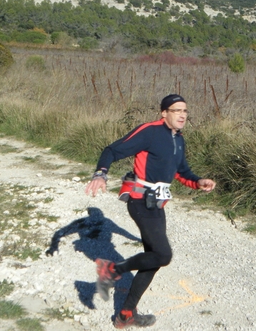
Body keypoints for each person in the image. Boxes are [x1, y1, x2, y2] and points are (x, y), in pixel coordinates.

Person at [85, 94, 216, 328]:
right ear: (163, 113)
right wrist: (100, 174)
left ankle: (125, 314)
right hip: (140, 200)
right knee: (163, 255)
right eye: (176, 110)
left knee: (152, 260)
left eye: (185, 111)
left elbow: (181, 171)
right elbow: (112, 150)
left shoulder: (178, 139)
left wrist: (198, 181)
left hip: (157, 203)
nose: (182, 115)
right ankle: (112, 270)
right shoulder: (150, 131)